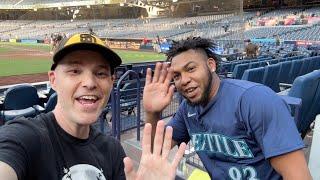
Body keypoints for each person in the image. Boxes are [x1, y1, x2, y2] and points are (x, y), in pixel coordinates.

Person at [0, 33, 186, 180]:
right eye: (75, 71)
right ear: (53, 80)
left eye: (100, 73)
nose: (89, 82)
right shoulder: (24, 137)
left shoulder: (113, 150)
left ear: (112, 82)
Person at [143, 37, 312, 179]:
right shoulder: (187, 109)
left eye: (191, 69)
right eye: (177, 76)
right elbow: (154, 149)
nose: (184, 80)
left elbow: (298, 176)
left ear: (211, 65)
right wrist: (152, 112)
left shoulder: (255, 100)